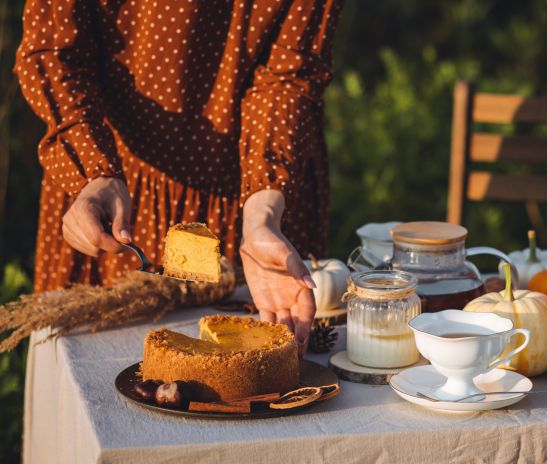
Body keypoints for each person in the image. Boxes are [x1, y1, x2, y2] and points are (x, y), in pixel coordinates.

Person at [14, 0, 344, 349]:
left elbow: (289, 75)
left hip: (258, 192)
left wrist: (261, 215)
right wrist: (93, 169)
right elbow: (55, 49)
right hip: (111, 192)